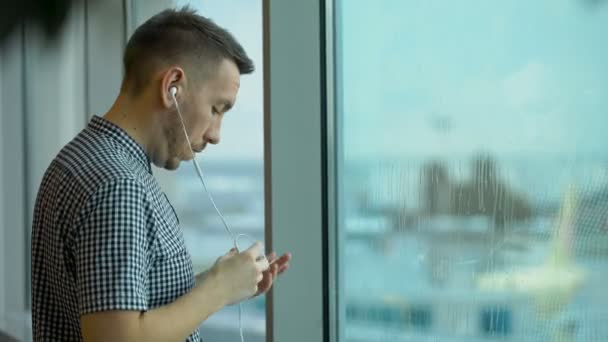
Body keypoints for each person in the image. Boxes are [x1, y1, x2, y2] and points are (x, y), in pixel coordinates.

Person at [31, 7, 291, 342]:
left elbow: (128, 305)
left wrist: (224, 279)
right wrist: (217, 290)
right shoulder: (118, 185)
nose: (216, 135)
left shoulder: (81, 158)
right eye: (216, 109)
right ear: (172, 86)